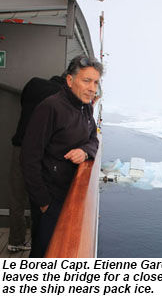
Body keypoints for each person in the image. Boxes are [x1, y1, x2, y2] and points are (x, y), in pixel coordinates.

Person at [21, 55, 103, 257]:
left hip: (68, 192)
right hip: (50, 196)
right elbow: (28, 158)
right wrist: (44, 203)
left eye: (95, 82)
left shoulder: (85, 107)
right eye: (86, 81)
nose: (93, 88)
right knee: (44, 251)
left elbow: (93, 138)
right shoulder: (51, 108)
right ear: (69, 80)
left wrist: (84, 151)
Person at [8, 76, 65, 252]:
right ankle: (40, 245)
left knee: (16, 198)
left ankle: (15, 241)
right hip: (40, 153)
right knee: (39, 199)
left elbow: (23, 102)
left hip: (19, 148)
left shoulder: (32, 83)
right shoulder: (61, 96)